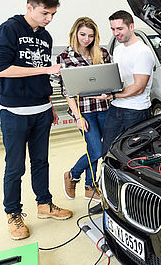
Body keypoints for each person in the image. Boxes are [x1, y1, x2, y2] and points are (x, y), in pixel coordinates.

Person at [0, 0, 73, 240]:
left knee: (41, 162)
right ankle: (13, 214)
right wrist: (46, 70)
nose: (49, 18)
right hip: (15, 111)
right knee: (15, 167)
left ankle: (44, 204)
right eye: (45, 13)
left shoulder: (45, 36)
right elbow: (2, 69)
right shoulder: (9, 30)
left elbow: (41, 70)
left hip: (42, 109)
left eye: (53, 14)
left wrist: (49, 104)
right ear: (29, 7)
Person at [57, 17, 111, 203]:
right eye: (82, 34)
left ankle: (90, 186)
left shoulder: (102, 53)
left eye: (90, 35)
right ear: (75, 33)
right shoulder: (65, 57)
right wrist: (78, 117)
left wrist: (109, 94)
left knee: (98, 148)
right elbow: (67, 92)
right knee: (97, 149)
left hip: (104, 108)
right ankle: (72, 175)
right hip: (84, 111)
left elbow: (111, 81)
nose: (86, 39)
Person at [99, 10, 155, 157]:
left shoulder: (142, 52)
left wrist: (113, 95)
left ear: (131, 27)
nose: (116, 33)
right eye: (112, 29)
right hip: (116, 108)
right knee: (108, 151)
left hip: (135, 111)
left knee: (133, 154)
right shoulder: (117, 50)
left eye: (119, 28)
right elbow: (117, 79)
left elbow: (138, 88)